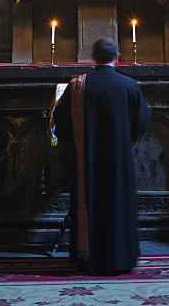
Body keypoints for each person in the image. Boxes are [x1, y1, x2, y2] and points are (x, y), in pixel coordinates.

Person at [54, 37, 151, 274]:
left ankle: (88, 257)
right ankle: (121, 258)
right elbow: (141, 122)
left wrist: (74, 140)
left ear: (93, 57)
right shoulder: (129, 85)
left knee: (89, 203)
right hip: (119, 160)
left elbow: (60, 121)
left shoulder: (77, 86)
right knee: (119, 203)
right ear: (117, 56)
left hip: (86, 160)